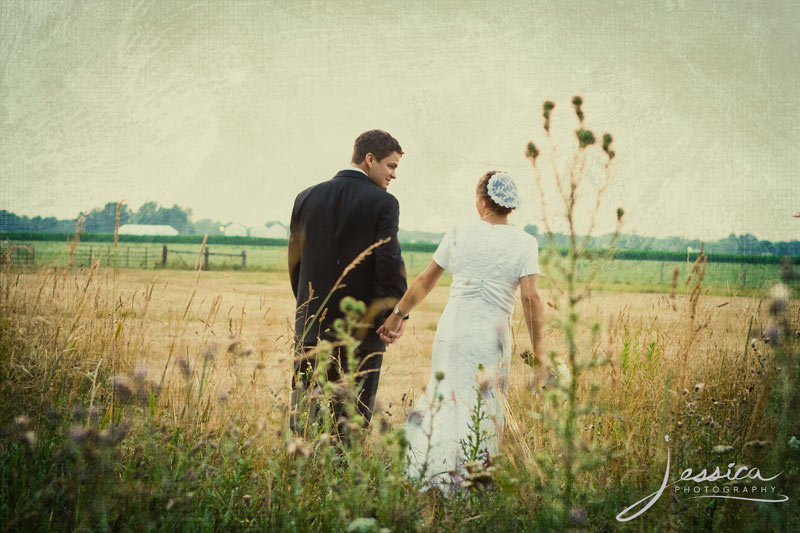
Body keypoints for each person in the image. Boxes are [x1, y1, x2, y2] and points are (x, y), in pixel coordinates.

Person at [378, 170, 549, 489]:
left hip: (452, 331)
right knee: (484, 402)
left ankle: (432, 471)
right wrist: (540, 355)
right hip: (490, 337)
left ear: (483, 201)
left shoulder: (458, 233)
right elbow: (530, 297)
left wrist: (398, 314)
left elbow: (425, 281)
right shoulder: (526, 243)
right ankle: (473, 477)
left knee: (444, 397)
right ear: (508, 206)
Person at [288, 129, 408, 439]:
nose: (394, 175)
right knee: (349, 425)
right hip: (359, 334)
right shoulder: (384, 203)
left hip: (311, 328)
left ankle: (302, 482)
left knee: (305, 420)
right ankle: (340, 485)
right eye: (391, 166)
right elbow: (389, 265)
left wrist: (309, 310)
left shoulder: (306, 196)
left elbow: (296, 265)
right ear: (369, 159)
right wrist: (394, 315)